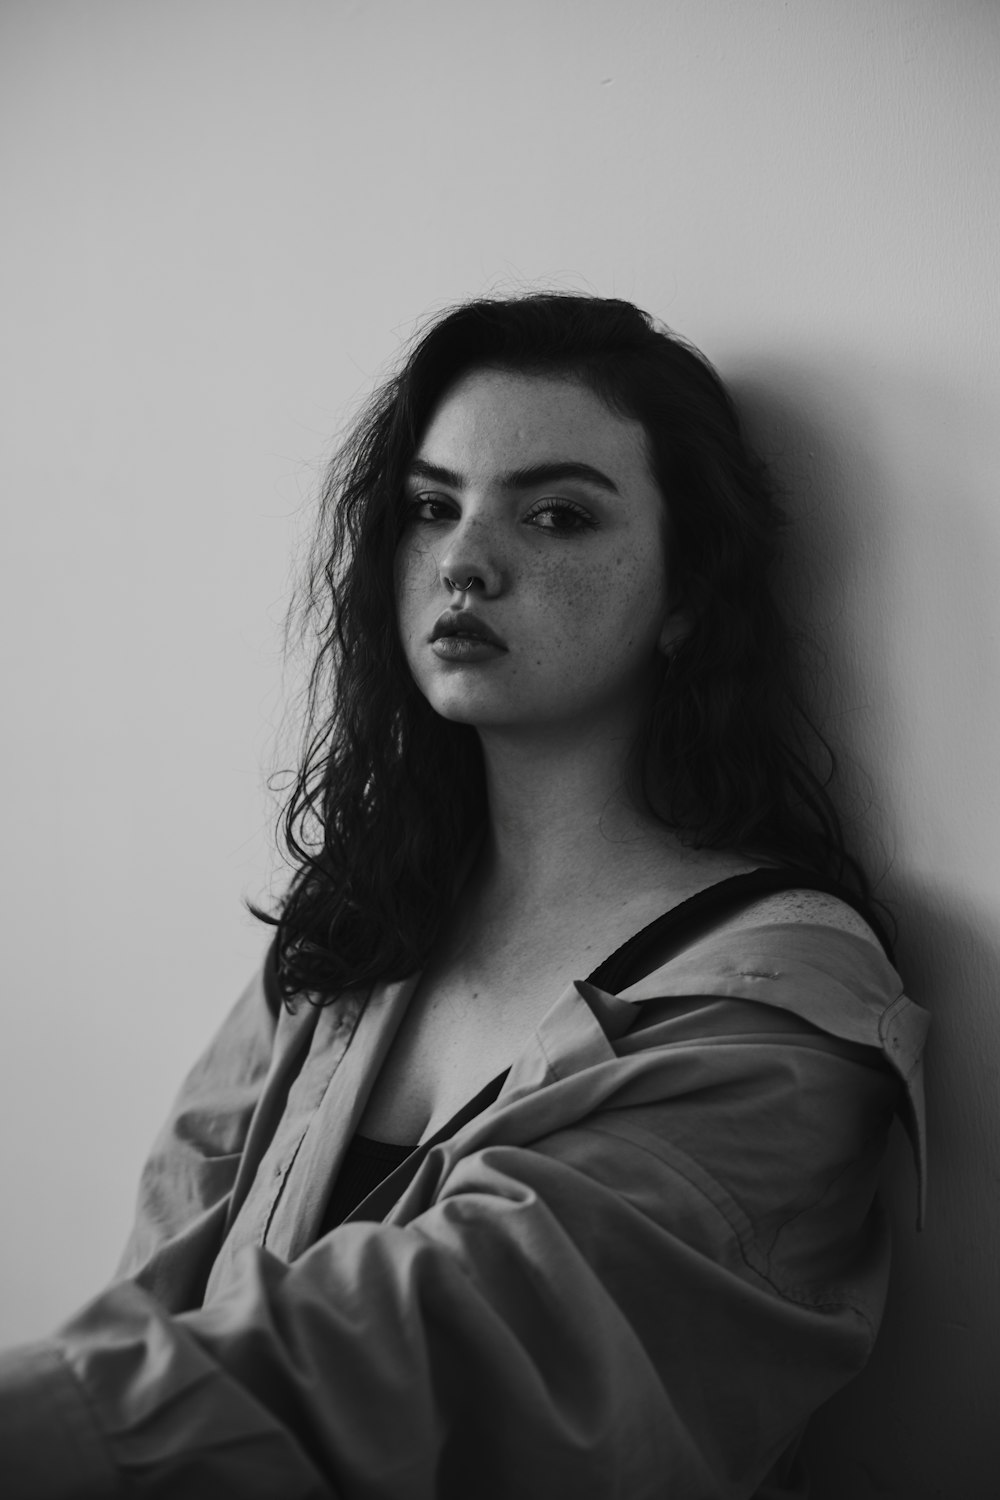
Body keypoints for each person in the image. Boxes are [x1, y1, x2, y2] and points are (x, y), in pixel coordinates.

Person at [0, 293, 927, 1498]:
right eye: (431, 508)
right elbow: (157, 1301)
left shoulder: (781, 1002)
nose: (464, 561)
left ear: (688, 591)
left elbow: (450, 1341)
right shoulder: (356, 933)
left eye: (556, 516)